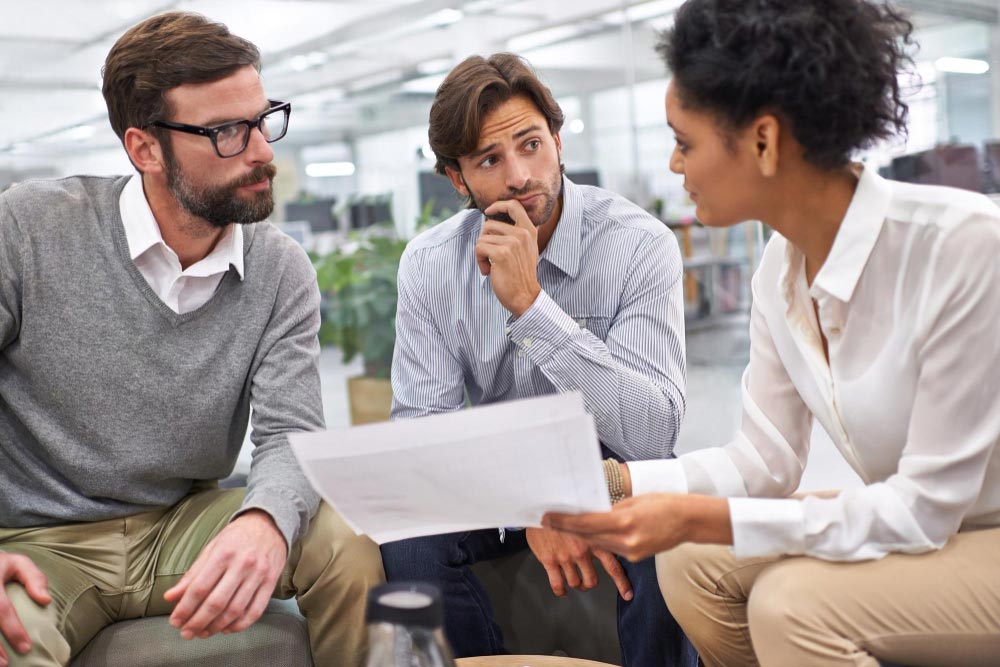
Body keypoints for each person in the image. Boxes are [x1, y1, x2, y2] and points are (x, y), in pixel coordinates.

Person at [543, 1, 1000, 666]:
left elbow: (924, 510)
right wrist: (613, 484)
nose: (674, 165)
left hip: (973, 528)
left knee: (791, 604)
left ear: (762, 141)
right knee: (690, 562)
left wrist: (699, 515)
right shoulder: (779, 269)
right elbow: (764, 462)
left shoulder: (962, 246)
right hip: (937, 522)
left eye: (684, 142)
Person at [0, 12, 383, 667]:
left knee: (345, 536)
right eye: (227, 132)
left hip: (183, 524)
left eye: (264, 120)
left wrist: (264, 520)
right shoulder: (28, 229)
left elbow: (292, 432)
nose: (263, 152)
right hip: (40, 542)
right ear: (145, 149)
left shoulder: (279, 267)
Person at [382, 53, 695, 667]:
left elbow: (653, 434)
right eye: (489, 161)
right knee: (410, 536)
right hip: (495, 471)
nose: (521, 176)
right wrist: (529, 504)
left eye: (531, 145)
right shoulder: (431, 263)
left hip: (612, 469)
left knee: (664, 514)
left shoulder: (639, 243)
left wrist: (532, 306)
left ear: (557, 140)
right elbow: (423, 433)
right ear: (457, 179)